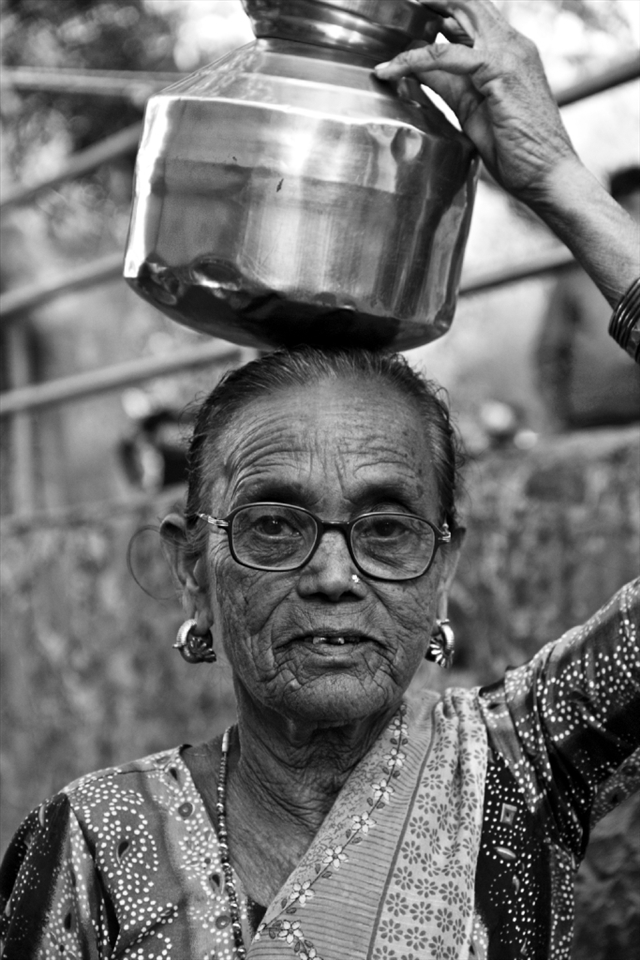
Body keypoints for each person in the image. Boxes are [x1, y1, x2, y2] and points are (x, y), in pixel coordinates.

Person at [1, 2, 638, 958]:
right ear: (191, 568)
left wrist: (557, 179)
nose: (334, 576)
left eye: (387, 528)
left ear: (445, 562)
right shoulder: (97, 844)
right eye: (272, 523)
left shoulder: (519, 771)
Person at [535, 165, 640, 430]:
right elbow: (550, 350)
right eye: (631, 209)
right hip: (590, 417)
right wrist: (557, 418)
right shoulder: (575, 268)